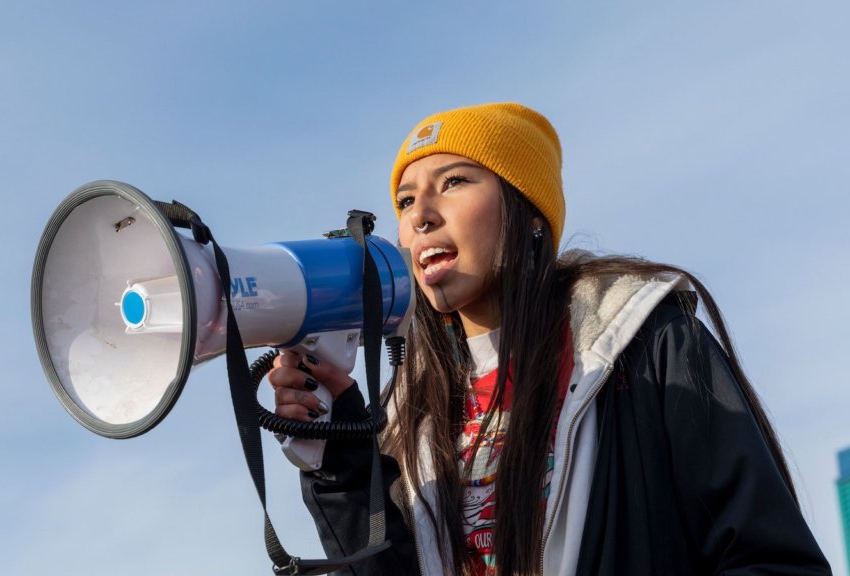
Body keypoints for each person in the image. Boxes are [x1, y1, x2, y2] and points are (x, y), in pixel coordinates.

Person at [268, 103, 831, 575]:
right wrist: (342, 464)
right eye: (406, 201)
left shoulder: (638, 345)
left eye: (455, 182)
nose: (421, 217)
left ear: (528, 210)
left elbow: (771, 560)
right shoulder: (410, 410)